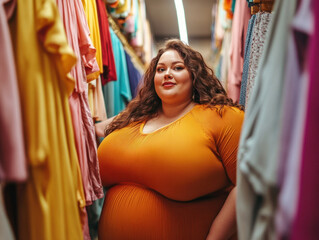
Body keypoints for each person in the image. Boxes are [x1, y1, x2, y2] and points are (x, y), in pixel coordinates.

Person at [95, 39, 244, 240]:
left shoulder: (223, 116)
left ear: (194, 75)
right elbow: (93, 129)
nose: (167, 74)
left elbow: (245, 185)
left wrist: (215, 237)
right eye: (160, 69)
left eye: (178, 67)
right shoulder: (134, 117)